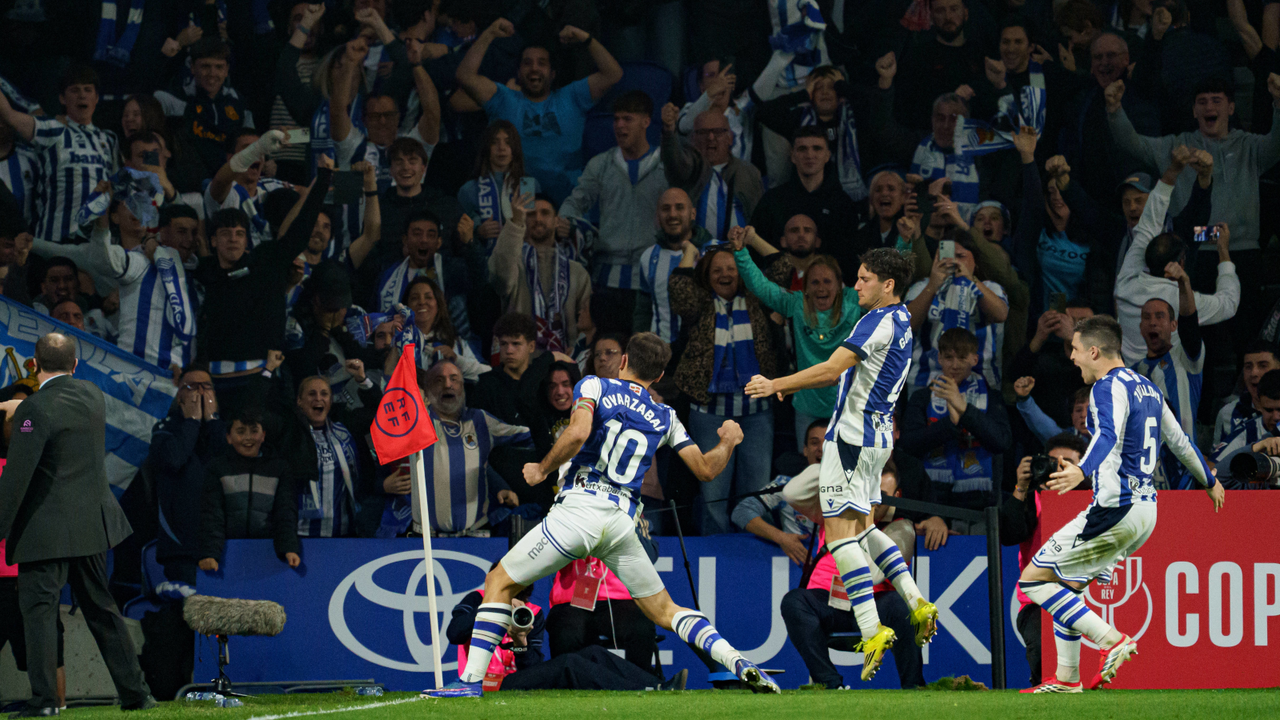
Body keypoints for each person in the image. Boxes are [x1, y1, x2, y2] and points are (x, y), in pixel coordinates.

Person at [425, 332, 780, 697]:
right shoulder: (666, 415)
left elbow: (578, 433)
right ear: (659, 377)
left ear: (623, 360)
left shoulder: (595, 384)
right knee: (664, 609)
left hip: (581, 509)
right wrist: (729, 440)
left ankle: (468, 684)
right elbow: (706, 470)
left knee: (499, 581)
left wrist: (543, 469)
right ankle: (738, 661)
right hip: (622, 521)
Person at [745, 248, 939, 681]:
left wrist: (776, 383)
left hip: (851, 438)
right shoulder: (905, 318)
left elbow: (833, 370)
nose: (856, 286)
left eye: (864, 278)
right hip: (877, 438)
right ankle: (916, 601)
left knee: (839, 537)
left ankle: (871, 630)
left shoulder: (877, 320)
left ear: (887, 285)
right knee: (866, 528)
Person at [1017, 315, 1222, 693]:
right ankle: (1066, 679)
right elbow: (1179, 440)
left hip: (1117, 508)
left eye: (1076, 350)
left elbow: (1107, 435)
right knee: (1067, 586)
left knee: (1033, 581)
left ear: (1094, 351)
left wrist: (1082, 471)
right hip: (1146, 511)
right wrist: (1209, 480)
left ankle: (1113, 640)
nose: (1073, 358)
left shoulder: (1106, 388)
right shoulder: (1148, 388)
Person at [0, 333, 156, 714]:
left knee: (38, 613)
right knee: (103, 611)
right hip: (91, 527)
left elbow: (17, 478)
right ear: (74, 366)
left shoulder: (34, 410)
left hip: (45, 532)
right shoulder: (91, 396)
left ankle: (45, 701)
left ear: (34, 366)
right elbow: (56, 416)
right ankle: (137, 694)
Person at [779, 460, 927, 690]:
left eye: (882, 495)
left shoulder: (902, 527)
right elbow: (791, 493)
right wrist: (835, 465)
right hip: (829, 603)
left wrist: (864, 525)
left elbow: (872, 573)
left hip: (875, 609)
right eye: (868, 491)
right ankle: (829, 685)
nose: (873, 501)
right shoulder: (835, 511)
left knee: (901, 605)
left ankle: (914, 686)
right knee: (793, 601)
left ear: (896, 495)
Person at [668, 246, 778, 535]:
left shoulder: (758, 298)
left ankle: (751, 551)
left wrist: (751, 240)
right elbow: (679, 289)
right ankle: (716, 554)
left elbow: (782, 268)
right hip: (709, 414)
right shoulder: (700, 303)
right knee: (712, 494)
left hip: (756, 414)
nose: (725, 274)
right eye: (717, 269)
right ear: (706, 275)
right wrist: (690, 252)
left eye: (732, 268)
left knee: (755, 494)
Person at [455, 18, 624, 202]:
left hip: (569, 196)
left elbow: (613, 74)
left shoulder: (572, 96)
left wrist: (586, 38)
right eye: (527, 63)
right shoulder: (504, 98)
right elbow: (465, 76)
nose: (534, 68)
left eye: (541, 63)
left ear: (552, 73)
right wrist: (489, 34)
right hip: (521, 196)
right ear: (518, 72)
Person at [728, 226, 862, 448]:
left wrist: (904, 242)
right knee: (809, 473)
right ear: (806, 288)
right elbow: (761, 287)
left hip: (847, 407)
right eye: (815, 282)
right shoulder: (797, 304)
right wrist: (741, 252)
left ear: (839, 285)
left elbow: (885, 285)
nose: (821, 288)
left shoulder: (853, 302)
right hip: (807, 410)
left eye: (827, 282)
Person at [1114, 148, 1237, 364]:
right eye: (1126, 202)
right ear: (1181, 262)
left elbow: (1191, 224)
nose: (1132, 208)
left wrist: (1181, 173)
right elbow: (1228, 303)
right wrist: (1223, 250)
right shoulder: (1179, 302)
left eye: (1139, 200)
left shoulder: (1125, 279)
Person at [377, 362, 526, 537]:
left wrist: (500, 487)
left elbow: (526, 437)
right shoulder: (414, 424)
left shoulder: (481, 420)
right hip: (425, 540)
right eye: (439, 380)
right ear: (429, 391)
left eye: (454, 379)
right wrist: (381, 485)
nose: (448, 384)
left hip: (475, 538)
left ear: (463, 386)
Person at [559, 90, 666, 314]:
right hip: (606, 276)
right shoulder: (601, 164)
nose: (619, 125)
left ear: (646, 121)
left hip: (651, 274)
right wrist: (564, 222)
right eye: (616, 119)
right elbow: (577, 200)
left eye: (627, 119)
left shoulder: (665, 165)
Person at [1000, 433, 1089, 688]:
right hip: (1039, 601)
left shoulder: (1096, 498)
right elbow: (1008, 535)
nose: (1057, 470)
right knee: (1042, 646)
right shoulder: (1032, 501)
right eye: (1052, 463)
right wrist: (1021, 488)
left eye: (1066, 465)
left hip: (1092, 595)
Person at [899, 328, 1012, 525]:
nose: (955, 364)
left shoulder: (991, 397)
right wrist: (950, 424)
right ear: (939, 358)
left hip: (980, 501)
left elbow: (1002, 441)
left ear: (975, 359)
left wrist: (964, 410)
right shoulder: (923, 397)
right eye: (949, 357)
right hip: (932, 500)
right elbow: (908, 444)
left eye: (962, 357)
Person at [0, 65, 119, 245]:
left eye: (88, 90)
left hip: (95, 244)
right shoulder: (52, 129)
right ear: (62, 99)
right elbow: (9, 115)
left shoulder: (109, 140)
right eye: (74, 90)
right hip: (53, 240)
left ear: (96, 98)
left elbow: (118, 188)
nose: (82, 95)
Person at [89, 201, 196, 373]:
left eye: (194, 232)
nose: (189, 239)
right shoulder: (141, 262)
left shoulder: (197, 277)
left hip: (177, 382)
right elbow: (105, 260)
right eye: (181, 232)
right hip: (136, 376)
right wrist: (102, 223)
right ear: (163, 232)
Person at [149, 366, 226, 586]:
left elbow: (227, 464)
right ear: (179, 395)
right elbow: (174, 460)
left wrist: (212, 420)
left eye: (206, 387)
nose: (200, 392)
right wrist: (192, 420)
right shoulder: (165, 428)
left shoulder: (222, 428)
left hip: (221, 543)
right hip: (179, 543)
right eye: (191, 387)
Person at [198, 407, 301, 572]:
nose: (247, 438)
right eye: (240, 431)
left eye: (254, 431)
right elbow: (211, 515)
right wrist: (210, 554)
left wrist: (289, 548)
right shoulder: (217, 468)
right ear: (228, 437)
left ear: (263, 435)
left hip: (269, 554)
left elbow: (285, 513)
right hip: (226, 555)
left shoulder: (280, 469)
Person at [488, 193, 591, 354]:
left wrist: (578, 350)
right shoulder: (514, 264)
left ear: (557, 220)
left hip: (564, 365)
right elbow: (500, 280)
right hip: (520, 362)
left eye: (545, 213)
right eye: (531, 214)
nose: (538, 218)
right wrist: (515, 221)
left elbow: (587, 321)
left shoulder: (577, 271)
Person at [660, 105, 763, 243]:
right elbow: (673, 161)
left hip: (737, 256)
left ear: (730, 138)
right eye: (703, 132)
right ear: (693, 139)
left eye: (718, 131)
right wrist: (669, 132)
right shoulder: (687, 170)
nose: (710, 137)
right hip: (692, 256)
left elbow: (758, 220)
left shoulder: (748, 173)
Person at [749, 128, 859, 248]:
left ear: (827, 155)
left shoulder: (842, 204)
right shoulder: (772, 201)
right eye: (802, 149)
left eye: (817, 148)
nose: (809, 155)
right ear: (792, 156)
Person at [634, 188, 711, 344]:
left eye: (680, 207)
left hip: (706, 352)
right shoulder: (648, 257)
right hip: (661, 355)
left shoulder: (714, 253)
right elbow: (643, 311)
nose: (673, 214)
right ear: (657, 217)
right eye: (665, 209)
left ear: (693, 214)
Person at [458, 120, 540, 254]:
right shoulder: (469, 190)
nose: (501, 148)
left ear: (515, 149)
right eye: (494, 142)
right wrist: (478, 231)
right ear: (486, 148)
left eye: (508, 142)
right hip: (485, 262)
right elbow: (459, 234)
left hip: (522, 260)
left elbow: (535, 225)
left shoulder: (529, 185)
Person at [399, 277, 490, 381]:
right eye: (415, 298)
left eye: (428, 297)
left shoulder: (456, 342)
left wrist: (457, 359)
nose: (422, 302)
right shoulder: (396, 342)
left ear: (438, 304)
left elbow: (487, 373)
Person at [1211, 369, 1280, 488]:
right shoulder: (1251, 435)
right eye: (1269, 410)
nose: (1276, 417)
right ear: (1259, 406)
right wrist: (1256, 447)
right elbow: (1215, 478)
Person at [1214, 342, 1280, 445]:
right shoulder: (1227, 414)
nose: (1254, 373)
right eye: (1248, 367)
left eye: (1263, 366)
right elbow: (1217, 459)